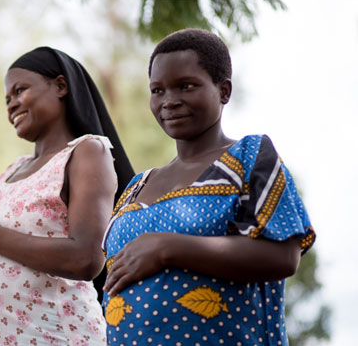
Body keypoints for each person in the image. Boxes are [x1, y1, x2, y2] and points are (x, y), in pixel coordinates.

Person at [101, 29, 316, 346]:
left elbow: (283, 256)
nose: (170, 101)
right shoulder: (136, 186)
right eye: (157, 90)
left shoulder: (249, 157)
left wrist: (167, 247)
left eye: (185, 86)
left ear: (224, 91)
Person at [0, 46, 134, 346]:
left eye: (20, 91)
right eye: (7, 99)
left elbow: (86, 257)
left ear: (60, 85)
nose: (11, 105)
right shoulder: (11, 170)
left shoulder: (86, 151)